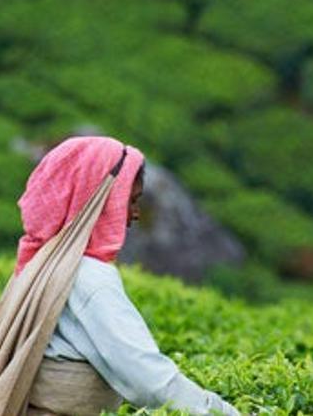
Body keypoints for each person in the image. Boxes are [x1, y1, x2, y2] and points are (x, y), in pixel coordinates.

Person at [15, 135, 241, 416]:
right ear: (96, 199)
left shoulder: (43, 261)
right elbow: (151, 382)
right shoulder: (88, 276)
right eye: (128, 200)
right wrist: (225, 411)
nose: (135, 214)